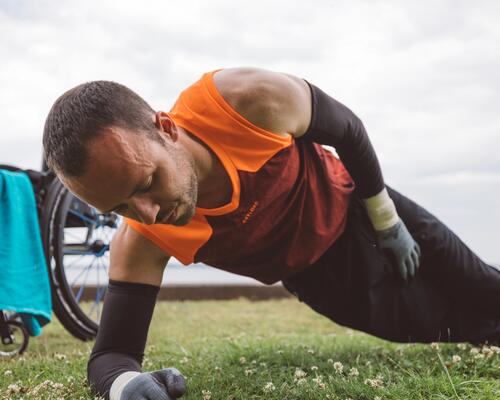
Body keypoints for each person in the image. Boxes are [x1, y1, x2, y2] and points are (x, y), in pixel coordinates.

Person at [42, 67, 500, 400]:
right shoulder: (143, 237)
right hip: (322, 277)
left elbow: (348, 129)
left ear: (166, 129)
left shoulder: (242, 101)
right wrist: (126, 385)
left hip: (363, 209)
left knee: (482, 285)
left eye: (146, 183)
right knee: (457, 326)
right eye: (119, 207)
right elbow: (111, 354)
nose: (147, 211)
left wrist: (387, 218)